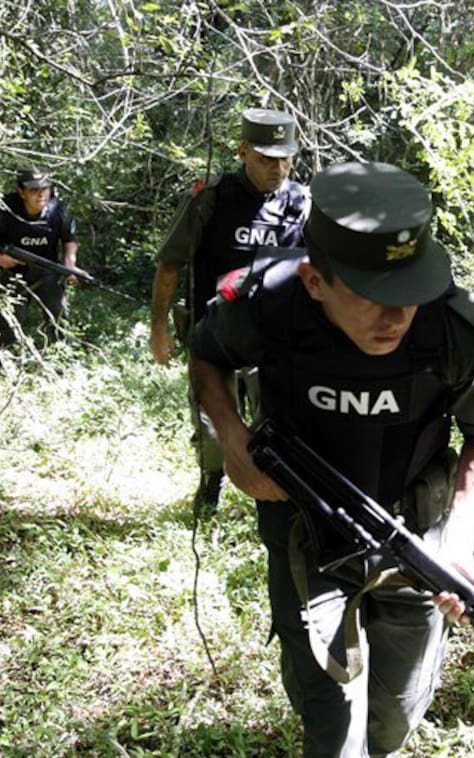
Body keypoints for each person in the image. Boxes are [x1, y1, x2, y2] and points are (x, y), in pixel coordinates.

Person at [189, 161, 474, 758]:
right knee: (332, 714)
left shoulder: (455, 331)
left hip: (413, 531)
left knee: (394, 711)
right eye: (370, 295)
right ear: (315, 280)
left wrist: (459, 542)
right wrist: (232, 442)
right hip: (303, 526)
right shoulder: (267, 304)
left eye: (408, 293)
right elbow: (208, 357)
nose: (396, 317)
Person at [149, 108, 310, 513]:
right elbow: (170, 263)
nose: (277, 168)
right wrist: (159, 329)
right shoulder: (212, 198)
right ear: (242, 152)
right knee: (211, 421)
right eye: (265, 158)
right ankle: (211, 481)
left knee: (278, 420)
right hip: (214, 337)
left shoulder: (302, 204)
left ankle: (273, 496)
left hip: (277, 339)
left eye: (284, 158)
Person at [0, 166, 78, 364]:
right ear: (21, 191)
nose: (41, 194)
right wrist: (0, 258)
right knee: (8, 326)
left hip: (48, 272)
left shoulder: (58, 211)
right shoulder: (4, 210)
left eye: (45, 189)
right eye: (33, 190)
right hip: (12, 275)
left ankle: (63, 366)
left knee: (58, 319)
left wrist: (69, 265)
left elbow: (69, 239)